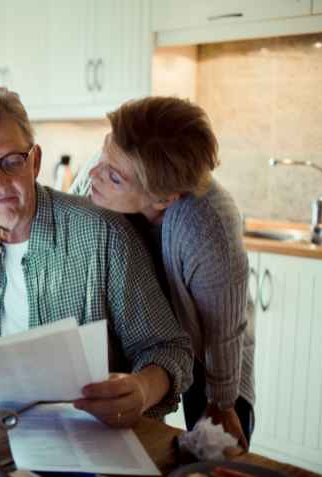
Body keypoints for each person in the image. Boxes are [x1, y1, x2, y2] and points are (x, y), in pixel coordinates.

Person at [0, 87, 193, 428]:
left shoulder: (103, 234)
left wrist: (141, 388)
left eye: (12, 162)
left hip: (82, 433)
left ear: (35, 161)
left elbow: (170, 348)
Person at [70, 96, 255, 448]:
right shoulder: (105, 171)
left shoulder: (208, 226)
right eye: (101, 155)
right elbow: (65, 221)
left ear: (163, 199)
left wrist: (223, 403)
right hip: (145, 337)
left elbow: (223, 329)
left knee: (215, 443)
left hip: (209, 348)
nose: (93, 174)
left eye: (113, 176)